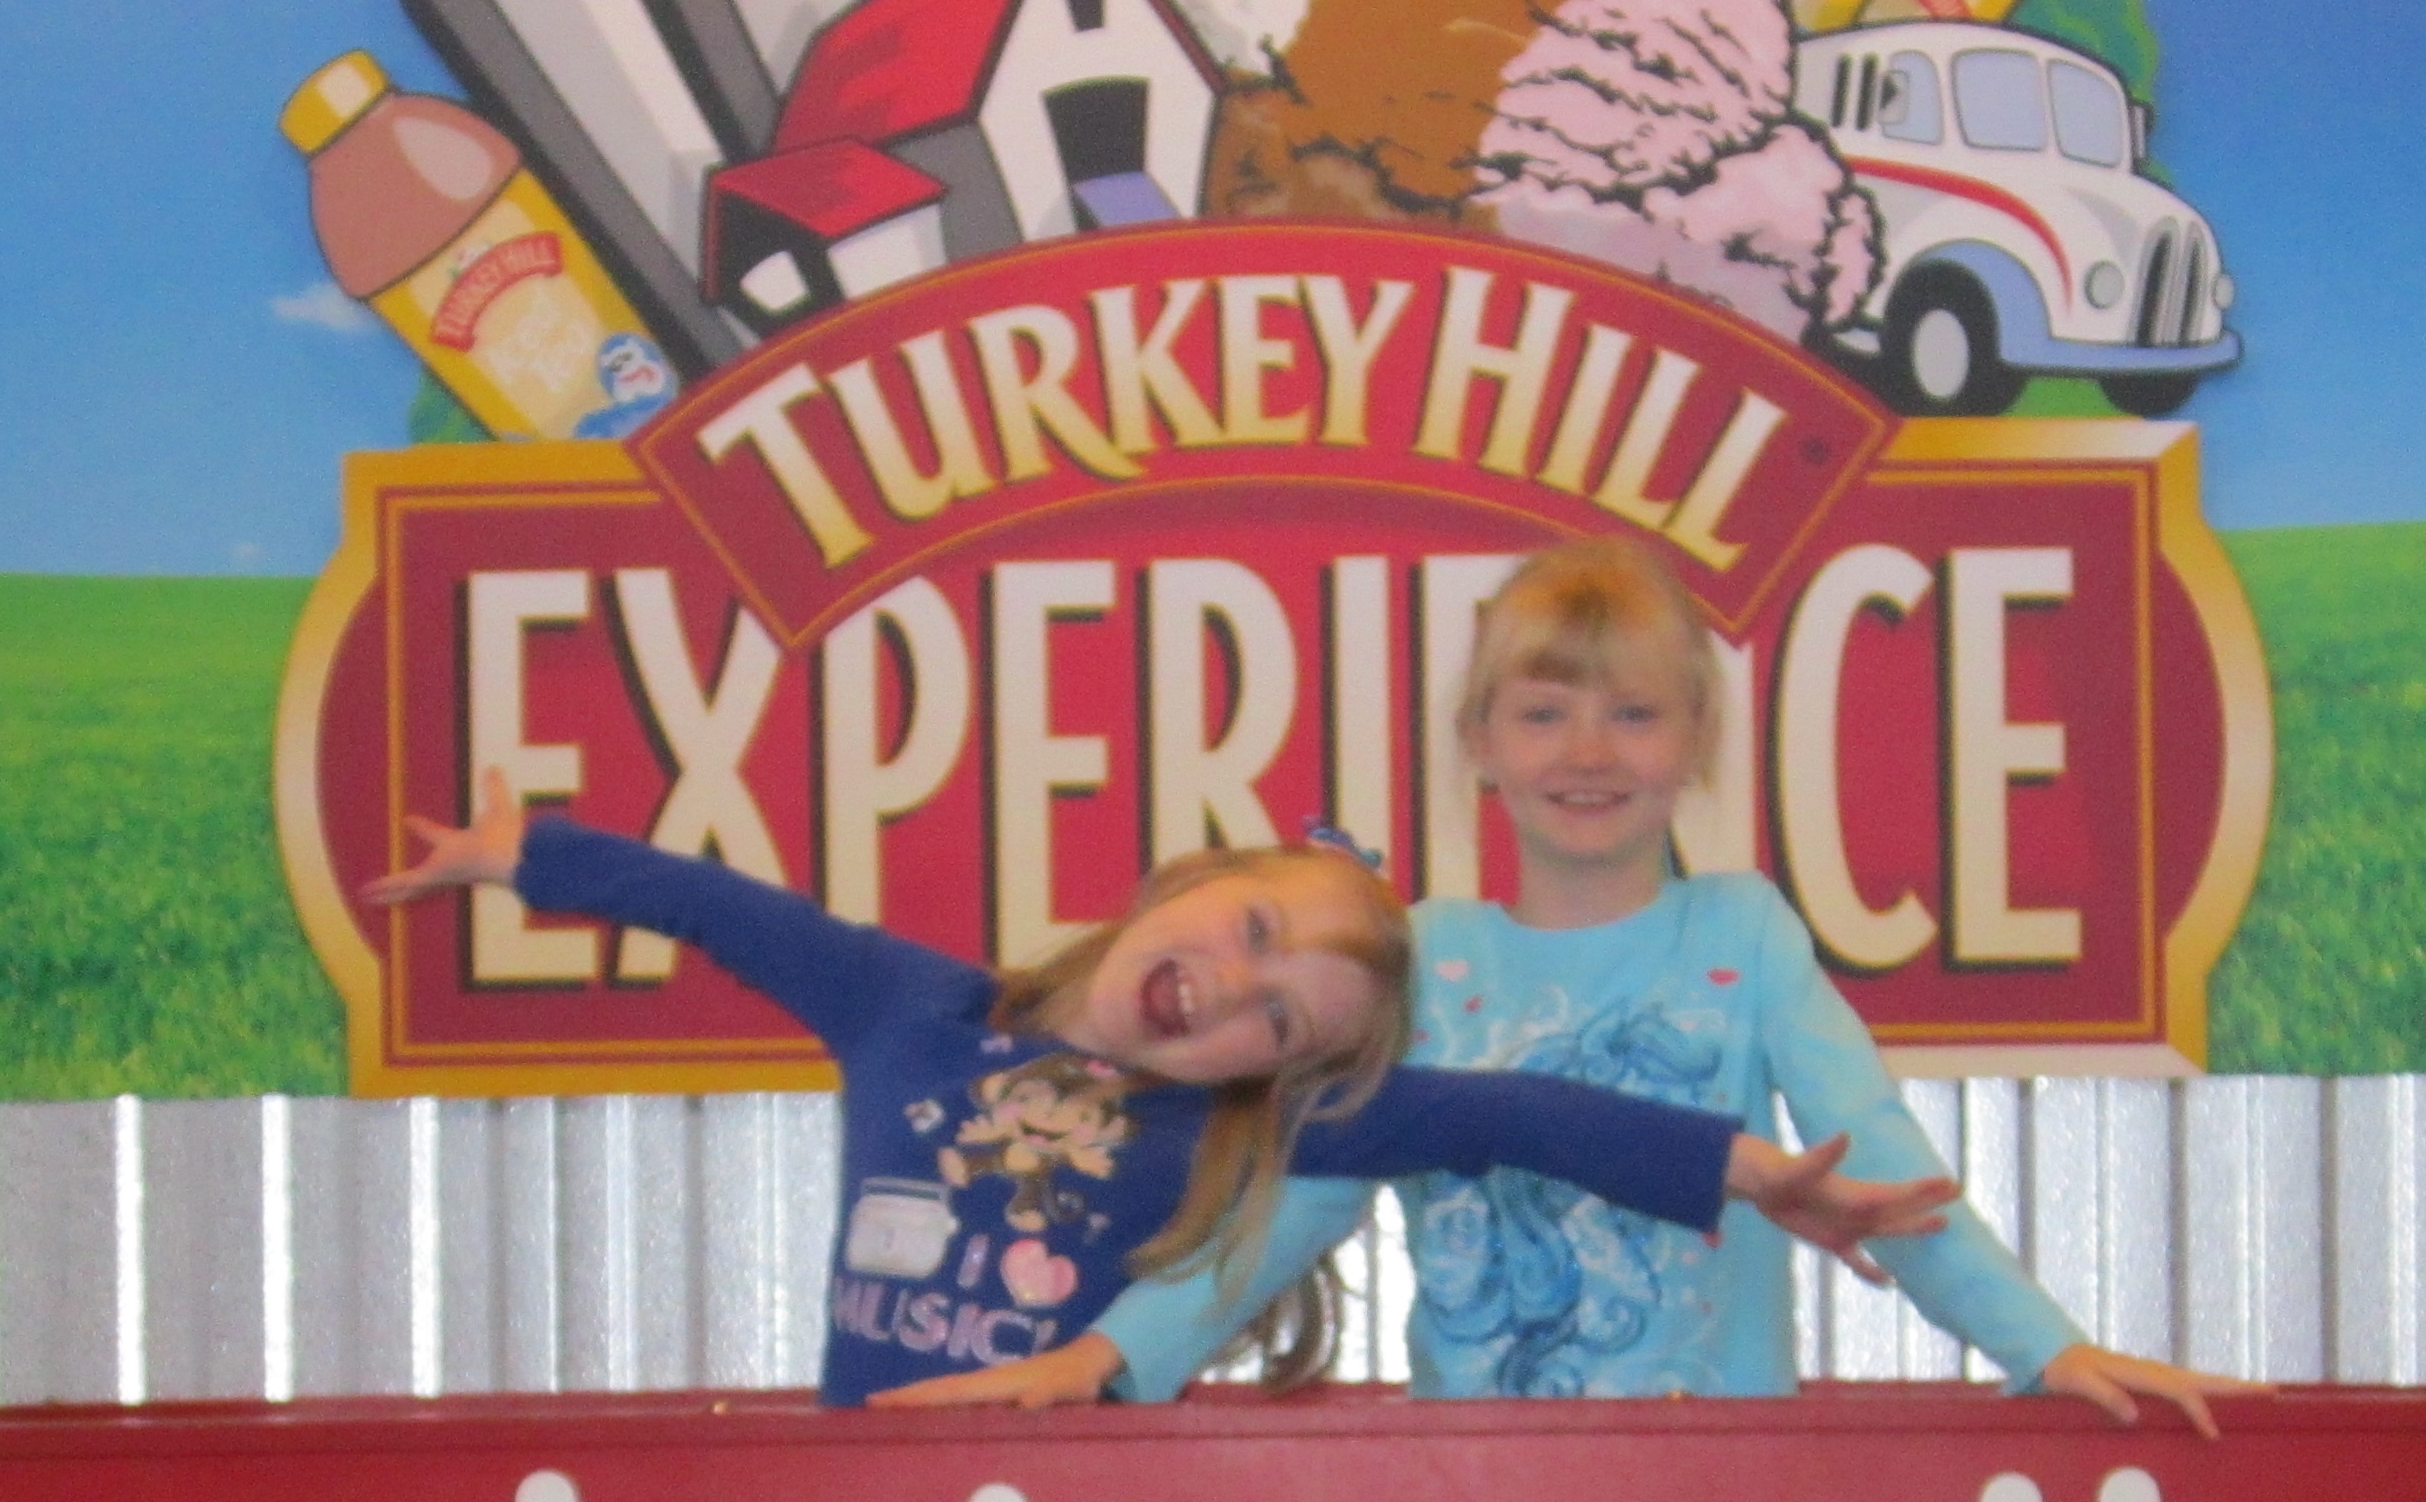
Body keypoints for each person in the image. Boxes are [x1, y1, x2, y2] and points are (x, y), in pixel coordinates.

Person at [895, 533, 2250, 1431]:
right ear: (1480, 743)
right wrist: (1108, 1357)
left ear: (1695, 741)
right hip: (1487, 1491)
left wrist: (2046, 1350)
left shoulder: (1746, 932)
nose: (1586, 752)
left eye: (1633, 714)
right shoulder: (1426, 959)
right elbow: (1298, 1198)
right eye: (1543, 713)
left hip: (1727, 1486)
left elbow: (1880, 1167)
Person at [361, 804, 1967, 1407]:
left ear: (1276, 1074)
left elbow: (1521, 1115)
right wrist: (524, 855)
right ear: (1184, 881)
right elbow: (726, 908)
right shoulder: (914, 1011)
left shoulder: (1237, 1130)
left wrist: (1756, 1170)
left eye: (1280, 1021)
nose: (1235, 990)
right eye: (1251, 930)